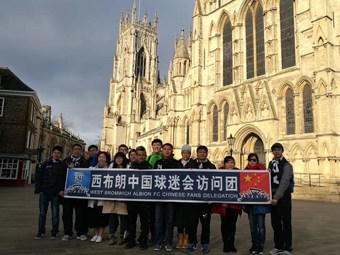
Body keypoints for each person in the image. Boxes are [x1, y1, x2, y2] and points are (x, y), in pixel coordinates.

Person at [186, 146, 216, 254]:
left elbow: (214, 183)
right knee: (192, 223)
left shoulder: (211, 166)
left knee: (205, 224)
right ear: (197, 153)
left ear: (207, 153)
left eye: (204, 152)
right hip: (193, 201)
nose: (202, 154)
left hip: (205, 202)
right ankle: (192, 242)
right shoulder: (190, 165)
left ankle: (205, 243)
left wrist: (212, 198)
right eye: (200, 152)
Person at [58, 144, 90, 241]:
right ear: (72, 150)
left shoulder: (85, 162)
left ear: (81, 151)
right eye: (75, 149)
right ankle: (67, 232)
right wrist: (60, 189)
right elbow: (61, 176)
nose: (77, 151)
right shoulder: (65, 161)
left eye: (79, 150)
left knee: (81, 213)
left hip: (81, 193)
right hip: (68, 193)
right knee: (67, 213)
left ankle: (81, 232)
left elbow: (88, 175)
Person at [268, 143, 294, 255]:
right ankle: (278, 245)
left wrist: (276, 197)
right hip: (273, 198)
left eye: (278, 149)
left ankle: (287, 247)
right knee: (276, 223)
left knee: (286, 223)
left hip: (283, 198)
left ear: (282, 151)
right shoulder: (270, 164)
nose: (276, 151)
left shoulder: (287, 165)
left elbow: (284, 183)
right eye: (274, 150)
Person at [125, 146, 152, 250]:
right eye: (139, 155)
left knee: (145, 221)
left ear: (145, 156)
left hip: (144, 200)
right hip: (132, 199)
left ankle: (143, 240)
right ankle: (131, 240)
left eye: (143, 155)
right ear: (136, 156)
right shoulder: (131, 167)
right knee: (131, 221)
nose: (141, 157)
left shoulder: (149, 167)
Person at [153, 143, 179, 252]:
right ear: (162, 151)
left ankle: (168, 241)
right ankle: (158, 241)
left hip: (171, 197)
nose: (167, 151)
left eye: (169, 149)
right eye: (165, 149)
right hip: (159, 197)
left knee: (170, 220)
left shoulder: (176, 163)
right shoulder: (158, 163)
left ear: (172, 151)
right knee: (159, 220)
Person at [34, 146, 63, 240]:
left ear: (61, 154)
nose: (56, 154)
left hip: (55, 193)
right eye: (55, 152)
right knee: (42, 213)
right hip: (45, 192)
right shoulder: (45, 164)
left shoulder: (62, 165)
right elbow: (38, 177)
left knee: (55, 214)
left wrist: (60, 190)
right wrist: (40, 190)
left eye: (58, 153)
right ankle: (40, 231)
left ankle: (54, 232)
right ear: (52, 153)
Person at [244, 153, 270, 254]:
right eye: (250, 159)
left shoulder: (263, 171)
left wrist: (269, 173)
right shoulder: (244, 172)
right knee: (252, 226)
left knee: (261, 225)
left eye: (254, 160)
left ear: (257, 161)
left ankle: (261, 244)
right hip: (250, 204)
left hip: (260, 204)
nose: (252, 162)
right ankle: (254, 243)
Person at [215, 156, 242, 253]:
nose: (230, 165)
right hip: (224, 204)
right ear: (224, 164)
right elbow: (217, 187)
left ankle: (231, 243)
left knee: (232, 225)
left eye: (232, 163)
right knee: (225, 224)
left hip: (234, 204)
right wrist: (222, 200)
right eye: (228, 163)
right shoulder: (219, 173)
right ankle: (226, 243)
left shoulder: (239, 173)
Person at [104, 152, 129, 245]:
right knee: (112, 216)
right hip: (112, 196)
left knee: (123, 217)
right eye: (117, 158)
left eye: (120, 158)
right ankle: (112, 235)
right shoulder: (111, 166)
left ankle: (121, 236)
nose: (119, 160)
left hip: (123, 196)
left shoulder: (128, 167)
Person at [88, 152, 110, 243]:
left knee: (102, 217)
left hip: (103, 197)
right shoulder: (92, 168)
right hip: (93, 198)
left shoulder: (110, 168)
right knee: (94, 216)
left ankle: (100, 235)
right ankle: (95, 234)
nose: (101, 159)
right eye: (100, 157)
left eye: (103, 157)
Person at [176, 145, 194, 249]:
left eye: (187, 153)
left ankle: (186, 238)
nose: (186, 154)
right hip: (179, 196)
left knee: (188, 218)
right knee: (179, 218)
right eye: (184, 152)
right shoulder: (177, 164)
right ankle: (180, 238)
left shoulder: (193, 164)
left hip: (189, 196)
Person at [146, 139, 163, 242]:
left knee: (161, 216)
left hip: (162, 191)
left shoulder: (164, 157)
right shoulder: (148, 158)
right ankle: (153, 235)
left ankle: (161, 236)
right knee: (152, 216)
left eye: (158, 145)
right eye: (154, 145)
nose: (156, 147)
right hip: (151, 192)